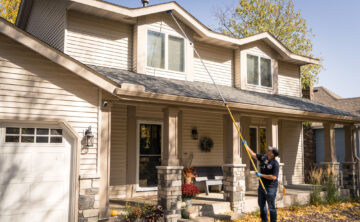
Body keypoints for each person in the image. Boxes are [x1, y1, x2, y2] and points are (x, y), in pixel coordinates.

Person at [247, 145, 280, 222]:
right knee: (261, 205)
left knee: (271, 207)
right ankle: (264, 220)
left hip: (271, 188)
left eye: (270, 151)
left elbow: (274, 177)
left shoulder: (275, 164)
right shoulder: (264, 157)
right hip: (261, 186)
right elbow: (253, 155)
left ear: (272, 154)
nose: (268, 151)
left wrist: (261, 175)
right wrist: (246, 145)